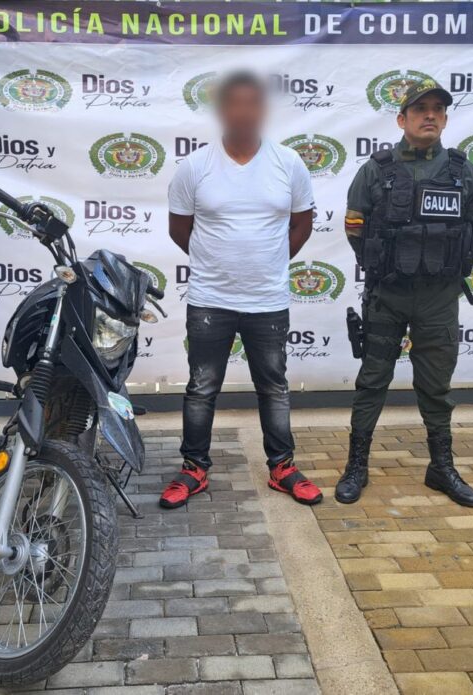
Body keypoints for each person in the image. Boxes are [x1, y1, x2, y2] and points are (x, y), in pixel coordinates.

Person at [160, 71, 323, 509]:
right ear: (221, 111)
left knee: (273, 387)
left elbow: (302, 223)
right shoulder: (195, 166)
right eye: (235, 104)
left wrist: (267, 261)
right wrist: (221, 263)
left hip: (267, 301)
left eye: (253, 104)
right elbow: (180, 230)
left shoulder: (289, 163)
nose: (244, 112)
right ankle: (194, 469)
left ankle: (282, 467)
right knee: (201, 387)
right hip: (210, 300)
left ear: (263, 110)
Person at [336, 79, 473, 508]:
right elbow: (354, 224)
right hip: (388, 293)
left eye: (438, 109)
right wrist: (386, 261)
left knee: (436, 385)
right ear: (402, 119)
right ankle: (357, 466)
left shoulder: (462, 170)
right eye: (421, 110)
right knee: (372, 380)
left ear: (446, 118)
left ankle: (441, 467)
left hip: (439, 297)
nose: (430, 115)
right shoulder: (377, 169)